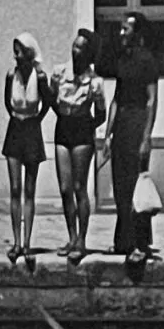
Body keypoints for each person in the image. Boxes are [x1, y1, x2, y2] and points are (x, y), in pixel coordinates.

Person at [106, 14, 163, 277]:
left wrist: (146, 136)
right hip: (122, 124)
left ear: (136, 32)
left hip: (138, 120)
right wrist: (107, 135)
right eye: (120, 28)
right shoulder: (123, 59)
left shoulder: (147, 60)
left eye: (125, 28)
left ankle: (140, 242)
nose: (121, 32)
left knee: (136, 185)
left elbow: (152, 100)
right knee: (120, 183)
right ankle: (123, 240)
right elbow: (116, 99)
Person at [47, 29, 108, 267]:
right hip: (63, 128)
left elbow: (101, 114)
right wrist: (63, 116)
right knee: (64, 187)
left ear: (89, 54)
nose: (75, 51)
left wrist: (86, 126)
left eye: (81, 48)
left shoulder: (94, 82)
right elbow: (51, 99)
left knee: (80, 186)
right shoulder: (59, 74)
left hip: (82, 131)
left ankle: (81, 239)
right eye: (74, 46)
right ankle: (71, 236)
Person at [0, 37, 52, 265]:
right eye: (15, 51)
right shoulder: (12, 76)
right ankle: (16, 242)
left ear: (29, 54)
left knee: (29, 189)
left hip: (31, 130)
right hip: (15, 129)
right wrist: (16, 118)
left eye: (20, 52)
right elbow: (7, 102)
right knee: (15, 188)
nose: (16, 56)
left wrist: (36, 120)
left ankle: (27, 242)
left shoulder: (39, 77)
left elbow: (47, 103)